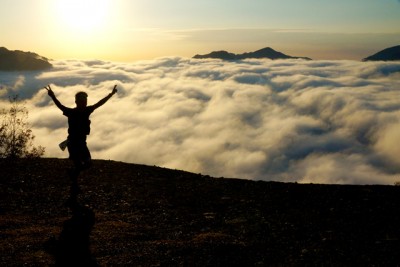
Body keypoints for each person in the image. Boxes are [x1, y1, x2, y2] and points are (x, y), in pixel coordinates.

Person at [45, 85, 117, 191]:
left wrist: (111, 94)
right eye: (82, 101)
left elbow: (99, 103)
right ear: (77, 102)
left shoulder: (80, 111)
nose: (84, 102)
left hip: (80, 143)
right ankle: (74, 184)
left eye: (85, 101)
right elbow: (59, 105)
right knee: (81, 164)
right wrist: (52, 96)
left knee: (85, 164)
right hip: (74, 143)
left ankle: (73, 178)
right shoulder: (78, 111)